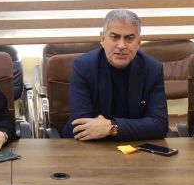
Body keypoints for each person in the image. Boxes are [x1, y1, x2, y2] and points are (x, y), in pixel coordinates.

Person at [62, 9, 168, 141]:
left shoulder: (152, 69)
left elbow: (159, 125)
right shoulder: (83, 67)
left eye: (129, 38)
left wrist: (112, 127)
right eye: (115, 37)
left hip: (132, 146)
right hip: (86, 146)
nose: (121, 45)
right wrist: (135, 129)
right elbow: (81, 127)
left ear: (139, 42)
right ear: (102, 39)